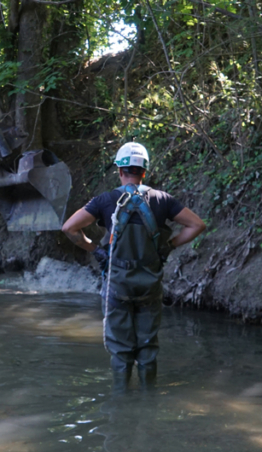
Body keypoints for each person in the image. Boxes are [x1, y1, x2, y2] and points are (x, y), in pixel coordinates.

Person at [61, 142, 206, 386]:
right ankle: (149, 400)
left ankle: (121, 405)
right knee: (148, 346)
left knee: (120, 349)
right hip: (149, 284)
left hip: (118, 285)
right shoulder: (163, 200)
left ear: (119, 171)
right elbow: (197, 225)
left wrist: (95, 250)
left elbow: (69, 228)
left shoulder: (105, 201)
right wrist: (169, 246)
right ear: (144, 172)